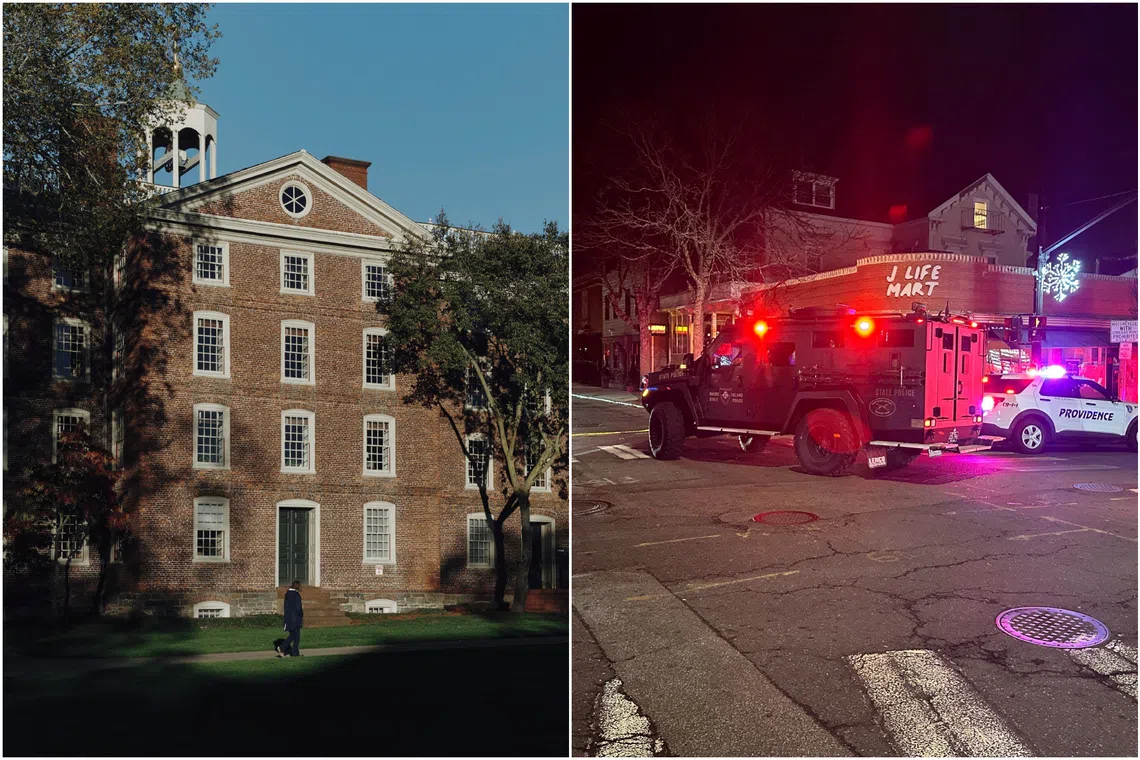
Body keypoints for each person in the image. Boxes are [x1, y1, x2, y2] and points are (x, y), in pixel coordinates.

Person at [279, 580, 303, 657]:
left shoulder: (287, 594)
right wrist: (301, 614)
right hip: (295, 618)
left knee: (296, 636)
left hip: (288, 618)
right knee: (295, 636)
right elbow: (298, 608)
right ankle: (283, 647)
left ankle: (295, 654)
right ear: (297, 586)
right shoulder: (296, 595)